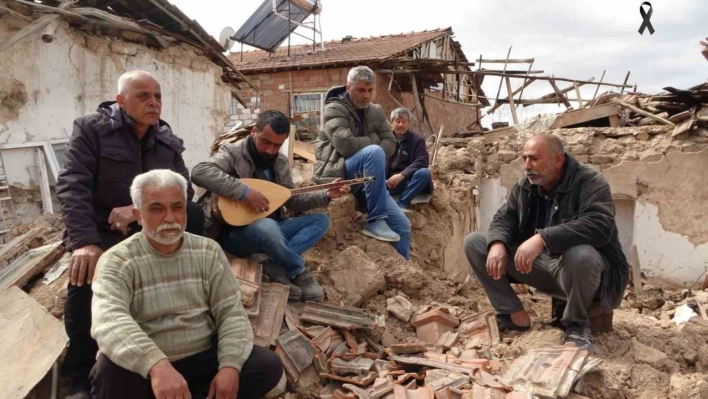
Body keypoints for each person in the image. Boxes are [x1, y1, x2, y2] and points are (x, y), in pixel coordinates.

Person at [56, 70, 205, 398]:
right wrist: (84, 243)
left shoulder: (166, 139)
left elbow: (185, 189)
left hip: (145, 225)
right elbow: (72, 185)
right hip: (102, 229)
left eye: (158, 96)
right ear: (121, 100)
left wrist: (135, 209)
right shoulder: (91, 129)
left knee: (193, 214)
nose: (154, 102)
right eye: (143, 96)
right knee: (84, 283)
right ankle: (81, 374)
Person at [89, 169, 283, 399]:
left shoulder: (207, 251)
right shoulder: (117, 260)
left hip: (201, 357)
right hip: (149, 369)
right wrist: (157, 366)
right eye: (156, 208)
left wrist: (230, 365)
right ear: (138, 215)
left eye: (177, 207)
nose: (170, 218)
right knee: (108, 372)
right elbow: (110, 321)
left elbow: (231, 313)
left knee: (266, 365)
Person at [463, 134, 628, 351]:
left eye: (534, 159)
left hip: (583, 274)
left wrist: (542, 238)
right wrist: (498, 244)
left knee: (582, 255)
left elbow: (600, 225)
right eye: (524, 159)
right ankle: (512, 313)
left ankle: (577, 324)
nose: (527, 166)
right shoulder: (526, 186)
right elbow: (505, 217)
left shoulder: (590, 182)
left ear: (557, 160)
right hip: (542, 267)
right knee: (475, 242)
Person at [191, 110, 348, 302]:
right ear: (255, 131)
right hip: (237, 234)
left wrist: (325, 195)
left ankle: (271, 265)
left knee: (321, 221)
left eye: (277, 145)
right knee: (267, 226)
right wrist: (245, 193)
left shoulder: (280, 162)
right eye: (266, 142)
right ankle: (298, 270)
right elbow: (200, 172)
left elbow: (291, 200)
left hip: (274, 230)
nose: (270, 150)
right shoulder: (233, 152)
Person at [314, 65, 411, 259]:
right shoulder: (333, 109)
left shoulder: (375, 111)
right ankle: (375, 220)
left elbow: (391, 142)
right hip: (338, 172)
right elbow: (347, 146)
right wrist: (374, 140)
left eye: (370, 90)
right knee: (374, 151)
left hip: (367, 176)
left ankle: (404, 270)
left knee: (403, 226)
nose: (366, 95)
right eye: (360, 90)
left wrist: (371, 148)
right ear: (348, 87)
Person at [386, 107, 434, 211]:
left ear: (409, 123)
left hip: (410, 181)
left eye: (404, 121)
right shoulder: (385, 140)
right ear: (392, 122)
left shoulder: (417, 140)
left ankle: (402, 202)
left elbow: (422, 160)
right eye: (397, 121)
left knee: (424, 173)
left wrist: (402, 175)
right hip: (389, 182)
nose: (400, 125)